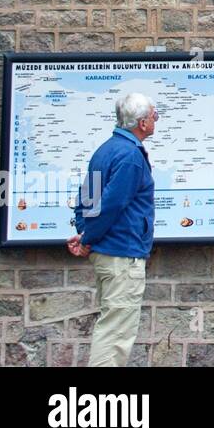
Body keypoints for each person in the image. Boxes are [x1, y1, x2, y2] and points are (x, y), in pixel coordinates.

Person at [68, 92, 157, 367]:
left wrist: (85, 233)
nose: (156, 120)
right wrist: (88, 238)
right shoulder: (130, 156)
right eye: (155, 116)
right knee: (116, 332)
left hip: (108, 252)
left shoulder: (105, 150)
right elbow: (112, 204)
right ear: (142, 123)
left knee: (111, 324)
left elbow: (87, 200)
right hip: (122, 253)